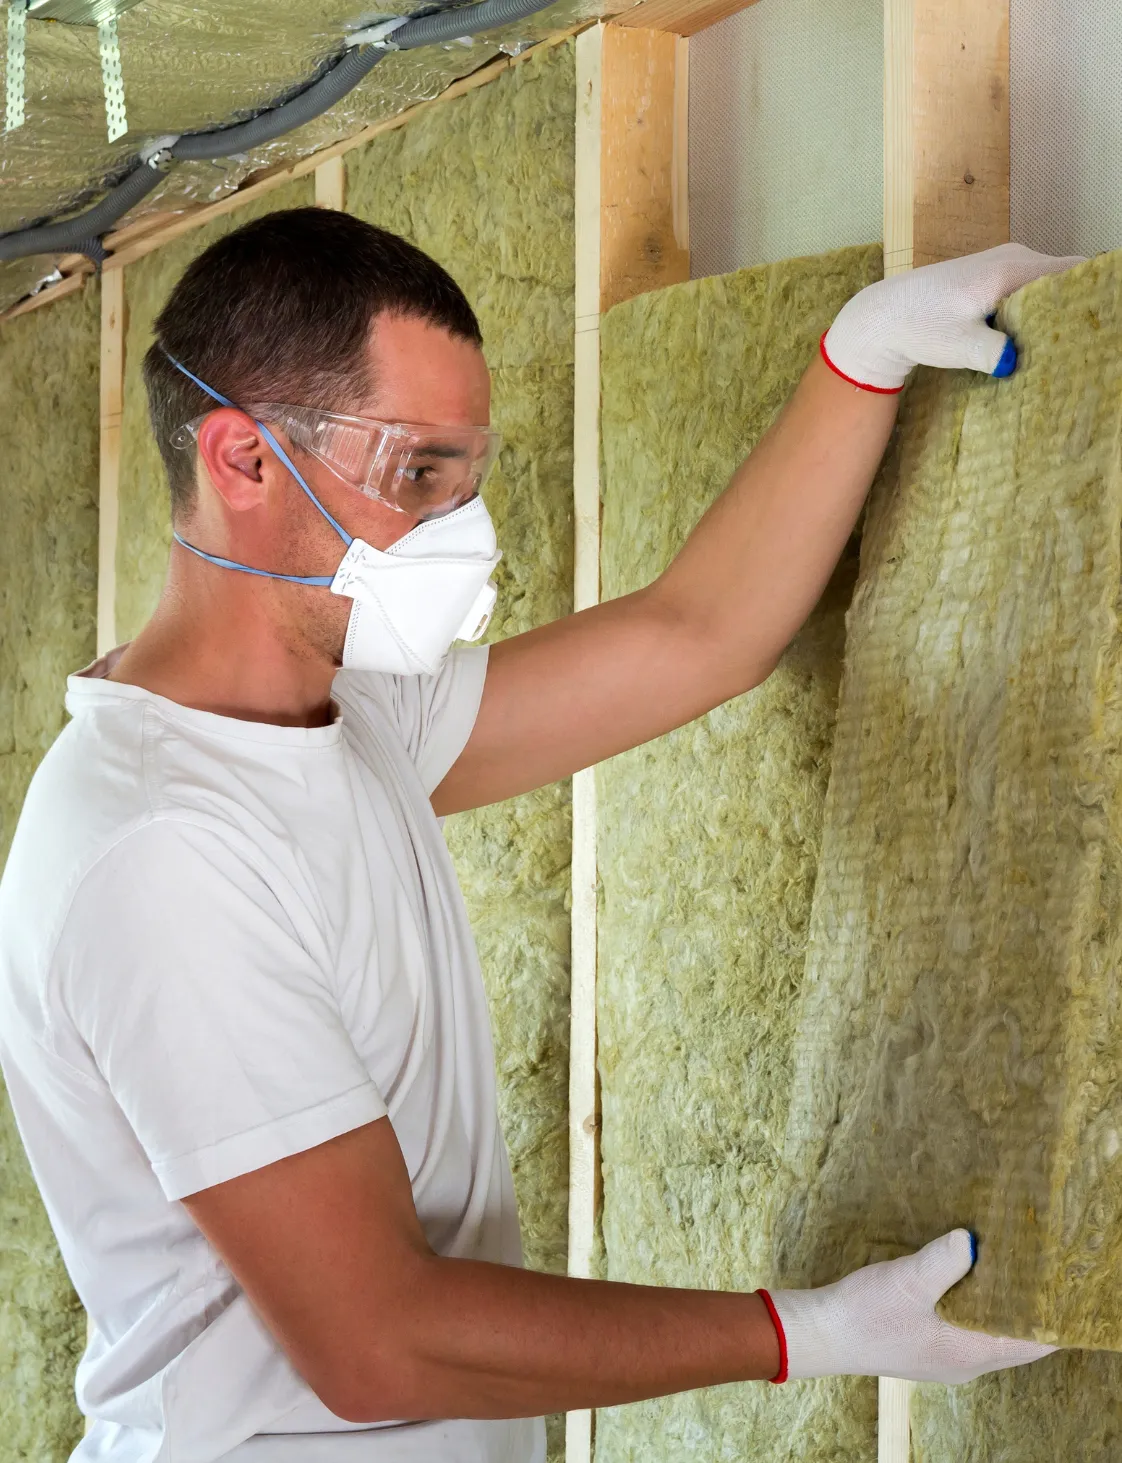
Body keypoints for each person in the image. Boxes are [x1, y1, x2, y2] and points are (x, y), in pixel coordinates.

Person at [0, 207, 1074, 1463]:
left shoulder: (348, 714)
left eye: (470, 472)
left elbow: (697, 632)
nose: (467, 528)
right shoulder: (164, 853)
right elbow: (377, 1339)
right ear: (242, 463)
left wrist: (863, 353)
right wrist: (806, 1331)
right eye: (417, 474)